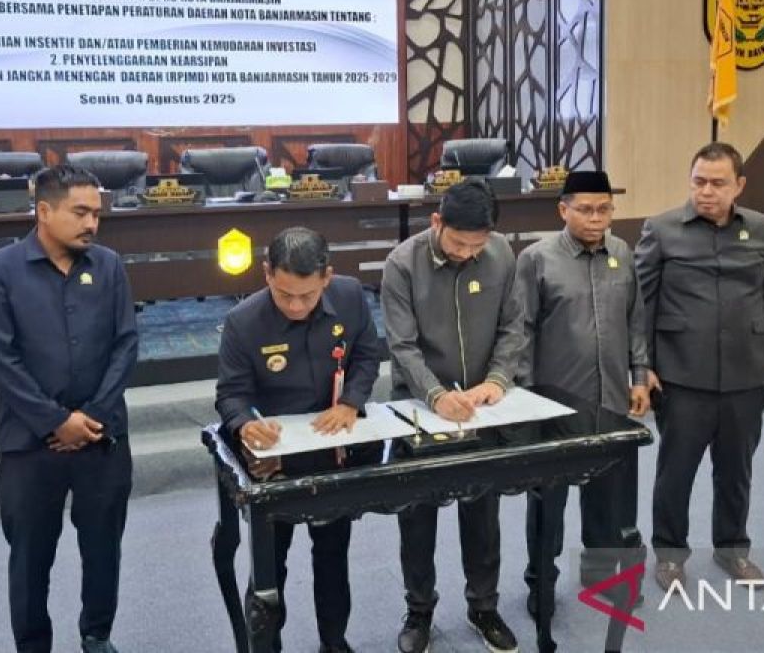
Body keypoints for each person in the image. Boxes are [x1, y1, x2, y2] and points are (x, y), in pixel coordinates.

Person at [0, 164, 138, 653]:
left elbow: (126, 344)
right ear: (43, 211)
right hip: (30, 443)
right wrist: (56, 421)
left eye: (96, 214)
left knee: (104, 549)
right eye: (80, 212)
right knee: (30, 557)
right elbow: (0, 359)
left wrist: (91, 418)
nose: (92, 223)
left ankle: (97, 635)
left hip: (101, 438)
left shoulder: (108, 265)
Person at [635, 142, 764, 593]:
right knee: (676, 472)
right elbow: (640, 304)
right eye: (698, 182)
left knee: (736, 471)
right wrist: (641, 366)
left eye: (717, 183)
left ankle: (733, 550)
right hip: (682, 375)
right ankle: (670, 556)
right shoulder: (662, 229)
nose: (706, 191)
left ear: (738, 185)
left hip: (746, 373)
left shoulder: (762, 229)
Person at [215, 226, 380, 653]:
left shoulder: (349, 296)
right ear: (267, 273)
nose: (295, 305)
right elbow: (231, 394)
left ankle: (334, 643)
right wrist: (244, 425)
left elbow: (366, 355)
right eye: (284, 293)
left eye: (306, 296)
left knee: (332, 556)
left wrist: (351, 402)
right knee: (270, 567)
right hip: (274, 460)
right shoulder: (243, 321)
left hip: (332, 449)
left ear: (326, 277)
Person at [381, 179, 525, 653]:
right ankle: (419, 611)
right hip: (419, 408)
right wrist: (435, 394)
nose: (467, 253)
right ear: (436, 222)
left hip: (480, 408)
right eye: (458, 243)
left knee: (483, 512)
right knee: (417, 515)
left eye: (476, 245)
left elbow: (513, 325)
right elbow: (402, 345)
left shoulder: (501, 255)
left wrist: (498, 379)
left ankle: (483, 607)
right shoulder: (402, 264)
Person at [515, 170, 651, 617]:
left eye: (605, 210)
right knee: (548, 505)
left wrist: (638, 375)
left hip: (611, 401)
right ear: (563, 210)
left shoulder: (622, 253)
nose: (596, 219)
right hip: (554, 408)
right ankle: (540, 584)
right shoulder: (536, 259)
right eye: (586, 210)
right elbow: (520, 332)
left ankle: (601, 577)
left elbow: (635, 320)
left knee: (609, 501)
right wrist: (525, 400)